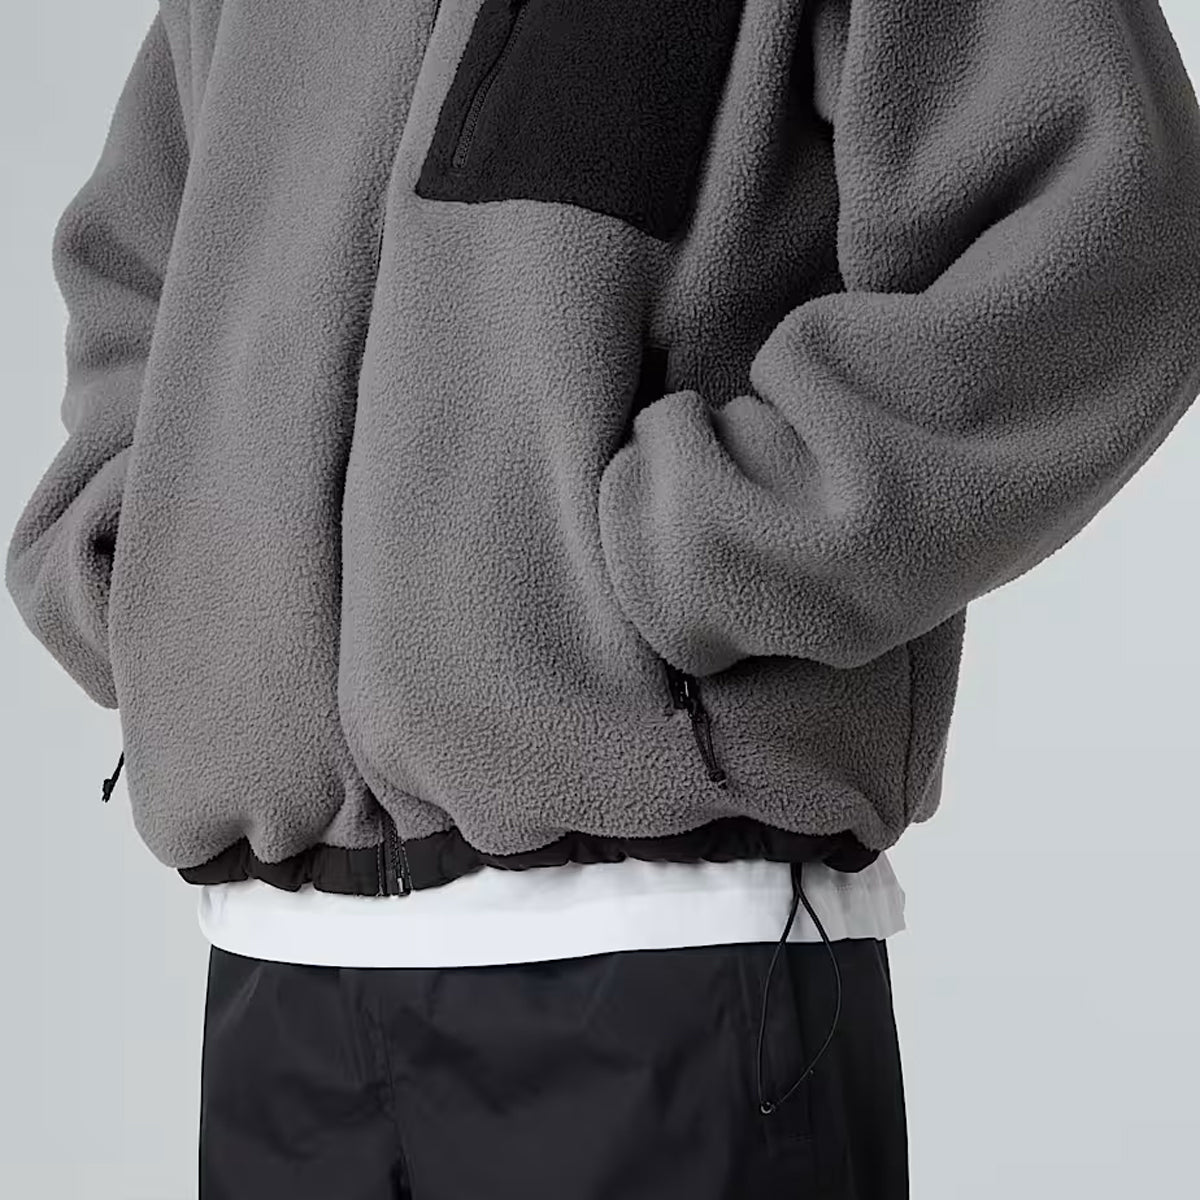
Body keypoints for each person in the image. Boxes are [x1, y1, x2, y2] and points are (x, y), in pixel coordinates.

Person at [8, 1, 1200, 1196]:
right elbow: (147, 258)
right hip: (280, 986)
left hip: (666, 960)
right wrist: (157, 570)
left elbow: (1114, 237)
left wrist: (707, 543)